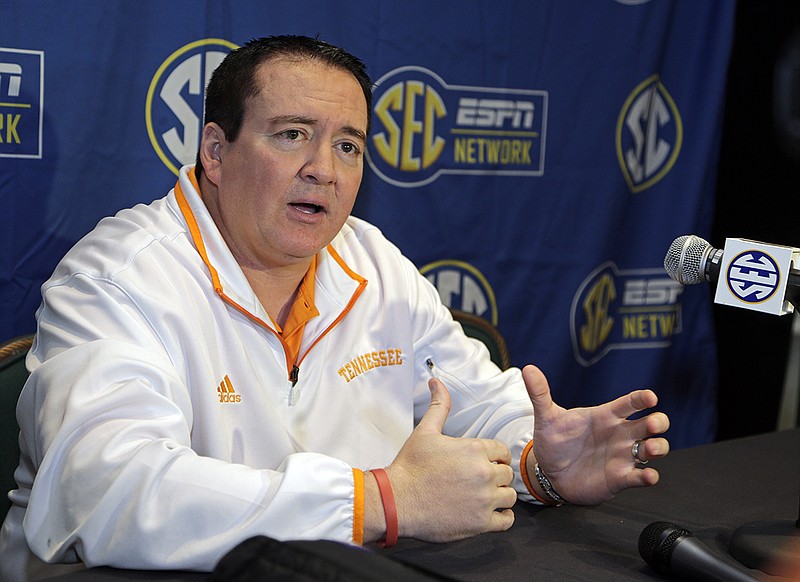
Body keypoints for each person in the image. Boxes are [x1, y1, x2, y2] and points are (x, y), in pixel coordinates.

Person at [0, 35, 670, 580]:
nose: (325, 167)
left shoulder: (371, 259)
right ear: (215, 151)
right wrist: (378, 501)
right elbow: (105, 491)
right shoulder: (118, 276)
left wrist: (539, 464)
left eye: (348, 145)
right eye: (293, 135)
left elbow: (472, 401)